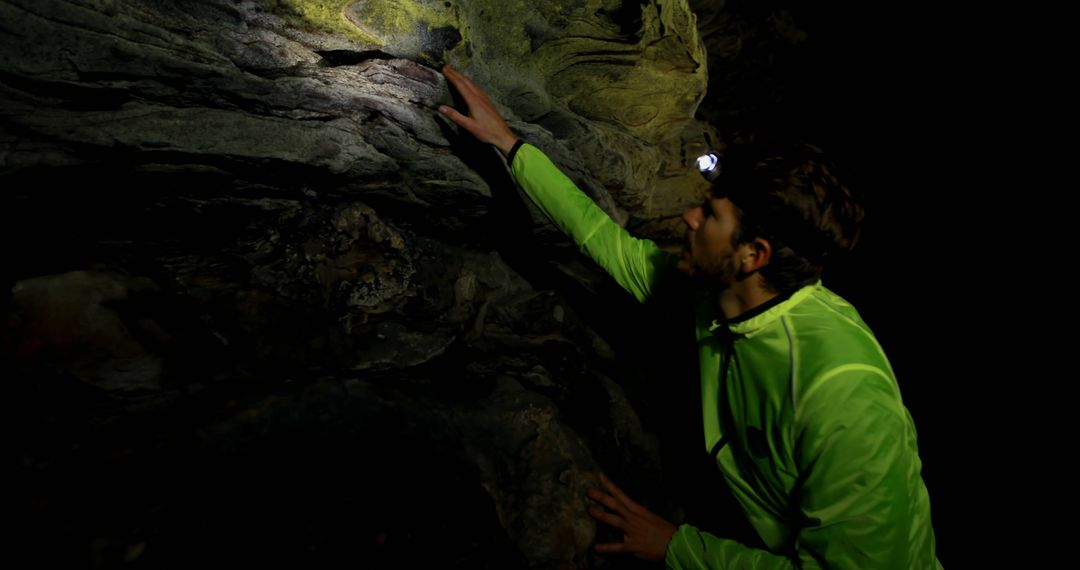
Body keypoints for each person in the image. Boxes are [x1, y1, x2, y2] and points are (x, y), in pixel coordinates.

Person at [438, 64, 940, 569]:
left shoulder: (839, 390)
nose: (689, 217)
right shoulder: (721, 297)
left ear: (752, 255)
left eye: (711, 215)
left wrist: (678, 547)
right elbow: (604, 241)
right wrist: (509, 143)